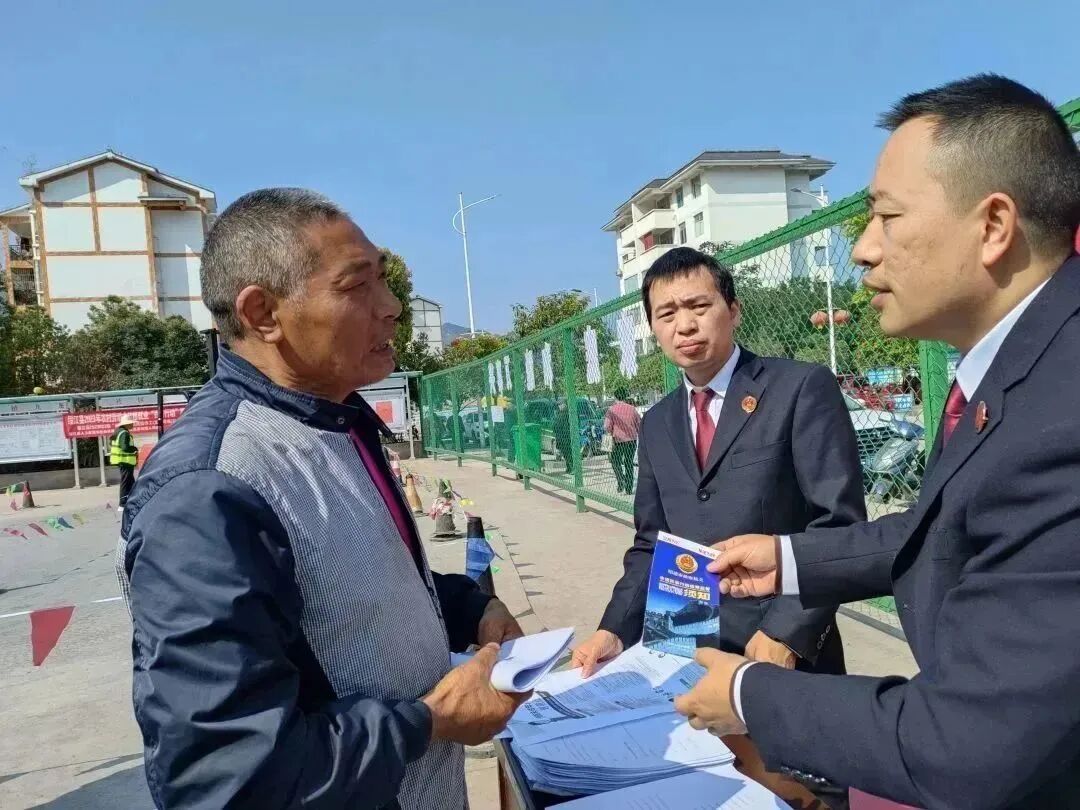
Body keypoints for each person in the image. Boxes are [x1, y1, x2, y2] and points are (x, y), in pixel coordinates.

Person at [675, 75, 1080, 809]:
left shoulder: (1064, 411)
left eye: (887, 217)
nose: (862, 250)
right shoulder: (1019, 370)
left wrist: (746, 695)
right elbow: (949, 528)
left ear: (994, 225)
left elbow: (966, 744)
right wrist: (789, 560)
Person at [117, 189, 529, 809]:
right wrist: (430, 722)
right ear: (263, 314)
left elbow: (351, 583)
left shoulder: (336, 421)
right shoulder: (209, 491)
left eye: (384, 279)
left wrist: (470, 607)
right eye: (356, 286)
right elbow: (227, 776)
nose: (391, 306)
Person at [572, 247, 865, 677]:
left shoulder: (799, 389)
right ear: (653, 328)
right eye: (667, 314)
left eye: (698, 306)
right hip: (682, 645)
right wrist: (613, 629)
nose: (684, 325)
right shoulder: (657, 423)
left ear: (734, 310)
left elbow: (839, 526)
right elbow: (652, 541)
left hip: (777, 652)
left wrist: (787, 634)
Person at [603, 386, 641, 494]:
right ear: (625, 396)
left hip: (617, 441)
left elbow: (607, 426)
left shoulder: (611, 410)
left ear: (615, 397)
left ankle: (621, 482)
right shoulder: (632, 409)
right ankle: (629, 488)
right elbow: (639, 424)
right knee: (629, 463)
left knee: (615, 462)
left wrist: (611, 431)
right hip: (631, 440)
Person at [109, 414, 138, 510]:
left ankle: (134, 500)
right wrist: (134, 449)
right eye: (131, 423)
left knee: (131, 482)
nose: (133, 425)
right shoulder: (124, 433)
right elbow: (124, 447)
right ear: (127, 424)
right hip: (125, 461)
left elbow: (111, 443)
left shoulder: (118, 431)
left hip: (123, 461)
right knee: (125, 482)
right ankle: (122, 504)